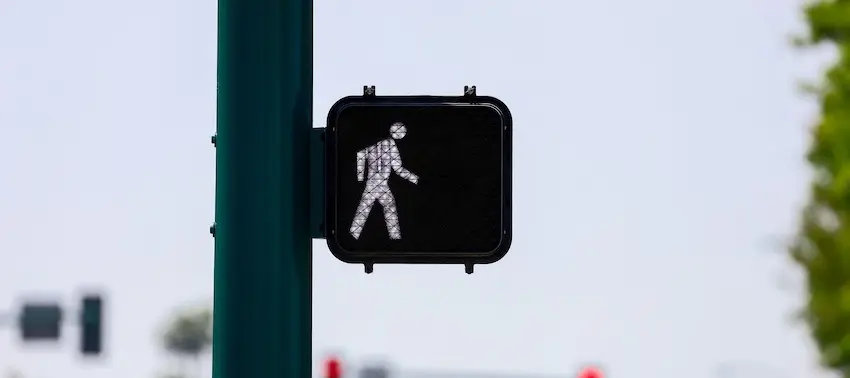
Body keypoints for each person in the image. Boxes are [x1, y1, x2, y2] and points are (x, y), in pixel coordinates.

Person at [349, 122, 419, 240]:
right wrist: (413, 178)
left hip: (372, 183)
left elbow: (360, 154)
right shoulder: (391, 146)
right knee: (386, 207)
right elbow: (398, 169)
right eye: (401, 131)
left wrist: (360, 177)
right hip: (380, 184)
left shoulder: (373, 144)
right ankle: (395, 238)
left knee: (365, 209)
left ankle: (354, 235)